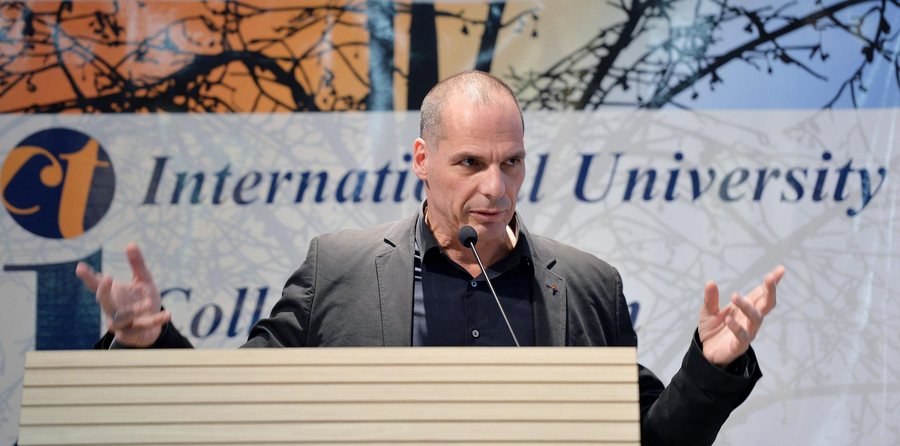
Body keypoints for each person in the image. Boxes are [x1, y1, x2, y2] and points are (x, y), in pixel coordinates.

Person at [76, 70, 785, 445]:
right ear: (422, 158)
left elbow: (650, 441)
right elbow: (237, 412)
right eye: (471, 162)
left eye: (512, 163)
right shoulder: (338, 269)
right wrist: (149, 341)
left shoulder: (587, 284)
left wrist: (710, 366)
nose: (495, 187)